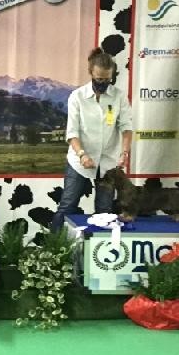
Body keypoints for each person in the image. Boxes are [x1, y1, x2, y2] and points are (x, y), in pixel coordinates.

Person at [52, 48, 133, 231]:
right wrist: (82, 154)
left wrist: (124, 152)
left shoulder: (119, 96)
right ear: (91, 73)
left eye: (107, 79)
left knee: (105, 210)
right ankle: (54, 243)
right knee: (67, 206)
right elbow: (72, 132)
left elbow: (126, 127)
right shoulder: (77, 96)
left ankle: (99, 247)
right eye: (99, 79)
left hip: (108, 162)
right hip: (80, 161)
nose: (103, 83)